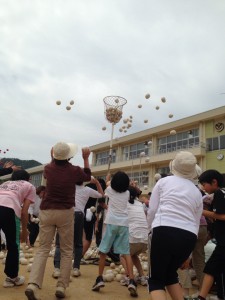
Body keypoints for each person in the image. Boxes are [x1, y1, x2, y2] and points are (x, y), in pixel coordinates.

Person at [25, 142, 91, 300]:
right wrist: (86, 158)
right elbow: (87, 176)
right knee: (67, 251)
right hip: (66, 212)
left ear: (54, 155)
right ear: (69, 156)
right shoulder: (74, 170)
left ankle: (33, 284)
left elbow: (51, 168)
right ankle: (61, 285)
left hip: (47, 210)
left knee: (43, 249)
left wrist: (52, 156)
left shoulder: (48, 168)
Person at [147, 151, 203, 300]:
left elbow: (152, 210)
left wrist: (148, 231)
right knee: (171, 276)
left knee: (156, 281)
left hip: (164, 229)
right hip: (188, 237)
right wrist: (188, 255)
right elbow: (196, 223)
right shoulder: (197, 192)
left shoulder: (164, 182)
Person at [92, 171, 138, 297]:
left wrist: (100, 181)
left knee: (103, 251)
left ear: (114, 182)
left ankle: (100, 278)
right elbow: (126, 186)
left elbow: (102, 192)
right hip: (124, 224)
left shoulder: (110, 190)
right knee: (126, 252)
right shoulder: (128, 193)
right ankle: (132, 280)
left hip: (111, 223)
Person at [52, 176, 104, 278]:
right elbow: (102, 195)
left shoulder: (68, 187)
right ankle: (76, 268)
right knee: (78, 244)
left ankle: (57, 269)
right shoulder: (87, 190)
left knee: (59, 244)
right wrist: (97, 182)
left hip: (65, 213)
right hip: (79, 215)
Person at [0, 170, 36, 287]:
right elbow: (24, 212)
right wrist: (24, 230)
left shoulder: (5, 183)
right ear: (28, 178)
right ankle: (12, 278)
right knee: (13, 244)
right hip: (9, 209)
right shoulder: (29, 186)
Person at [194, 169, 225, 300]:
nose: (203, 187)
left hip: (224, 242)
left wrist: (201, 211)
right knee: (217, 270)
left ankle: (202, 297)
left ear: (214, 182)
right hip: (221, 240)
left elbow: (222, 216)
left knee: (211, 268)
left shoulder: (219, 192)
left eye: (204, 184)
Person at [120, 185, 148, 287]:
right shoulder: (139, 204)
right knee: (133, 255)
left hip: (134, 237)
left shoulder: (124, 204)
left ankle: (128, 276)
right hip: (145, 239)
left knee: (122, 255)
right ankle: (142, 277)